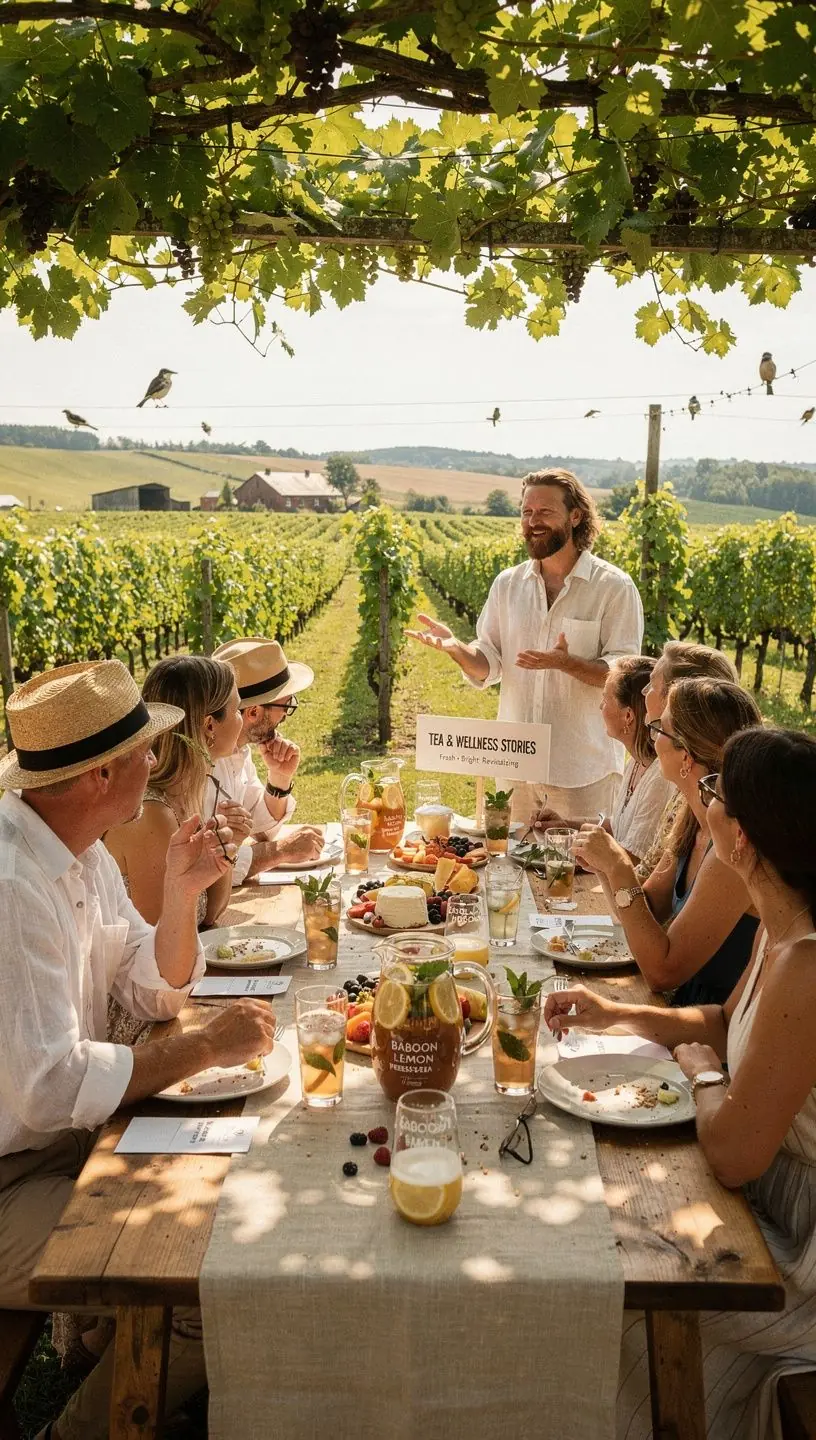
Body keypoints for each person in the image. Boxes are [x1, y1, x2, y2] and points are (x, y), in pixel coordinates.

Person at [0, 660, 277, 1440]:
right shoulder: (12, 883)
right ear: (97, 775)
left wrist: (184, 895)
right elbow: (52, 1086)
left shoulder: (79, 847)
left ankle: (102, 1348)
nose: (158, 764)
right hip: (13, 1175)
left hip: (58, 1146)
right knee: (206, 1278)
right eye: (144, 754)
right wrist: (199, 1050)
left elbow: (148, 989)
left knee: (233, 1188)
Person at [544, 726, 816, 1440]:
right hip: (762, 1200)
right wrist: (621, 1014)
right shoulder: (781, 921)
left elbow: (730, 1152)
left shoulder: (807, 963)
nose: (702, 799)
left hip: (798, 1241)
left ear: (746, 839)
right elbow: (728, 1021)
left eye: (716, 793)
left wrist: (700, 1073)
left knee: (618, 1304)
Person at [406, 468, 644, 823]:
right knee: (507, 871)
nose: (533, 521)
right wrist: (457, 649)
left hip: (582, 772)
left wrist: (567, 663)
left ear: (575, 515)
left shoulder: (613, 588)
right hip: (514, 769)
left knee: (580, 876)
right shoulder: (507, 584)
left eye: (545, 512)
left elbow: (624, 676)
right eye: (526, 512)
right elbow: (489, 662)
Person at [574, 677, 762, 1007]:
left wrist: (618, 866)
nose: (651, 735)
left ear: (686, 756)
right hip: (681, 1011)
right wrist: (605, 865)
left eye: (660, 728)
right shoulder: (691, 817)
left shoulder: (732, 848)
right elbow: (641, 911)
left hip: (712, 1032)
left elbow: (662, 970)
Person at [105, 655, 244, 928]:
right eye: (238, 710)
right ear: (209, 726)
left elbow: (210, 914)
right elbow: (161, 946)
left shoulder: (184, 794)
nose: (241, 720)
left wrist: (229, 847)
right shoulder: (151, 817)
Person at [530, 655, 673, 865]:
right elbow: (620, 828)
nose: (600, 707)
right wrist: (565, 826)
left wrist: (575, 847)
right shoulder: (636, 761)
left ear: (628, 716)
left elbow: (633, 860)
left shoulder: (659, 777)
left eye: (605, 699)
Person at [209, 637, 324, 882]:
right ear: (253, 712)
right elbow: (213, 865)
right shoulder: (205, 765)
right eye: (285, 705)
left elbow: (260, 828)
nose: (286, 714)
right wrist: (282, 851)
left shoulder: (238, 750)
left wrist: (279, 780)